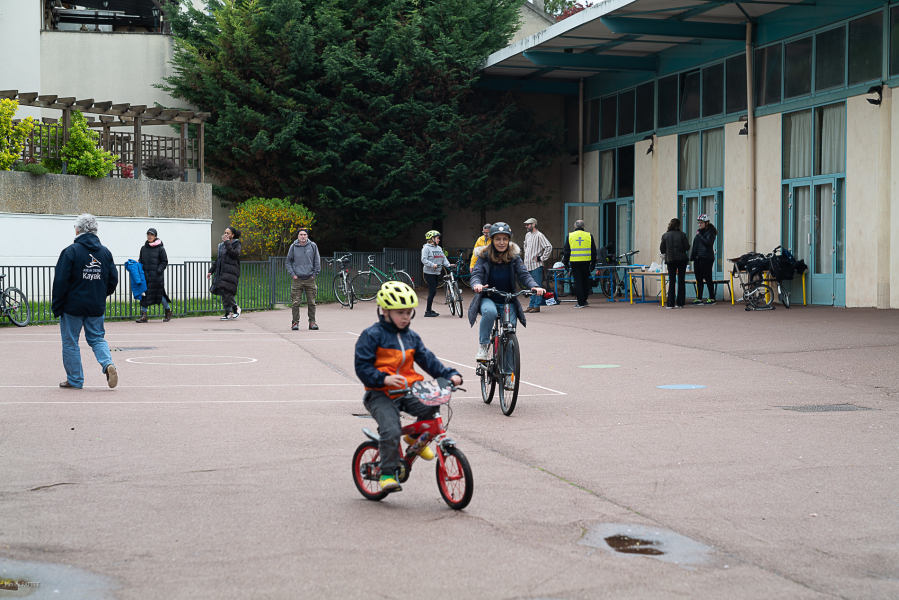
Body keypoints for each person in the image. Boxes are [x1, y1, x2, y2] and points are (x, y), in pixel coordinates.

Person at [354, 281, 462, 493]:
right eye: (400, 312)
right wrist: (383, 379)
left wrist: (449, 375)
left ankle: (413, 438)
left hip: (406, 390)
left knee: (432, 406)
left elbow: (428, 360)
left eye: (409, 312)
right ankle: (386, 473)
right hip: (379, 393)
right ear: (384, 310)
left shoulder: (411, 337)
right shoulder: (372, 335)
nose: (405, 317)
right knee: (391, 429)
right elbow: (362, 366)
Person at [469, 222, 545, 389]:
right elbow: (477, 274)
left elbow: (524, 274)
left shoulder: (514, 257)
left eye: (505, 239)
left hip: (508, 299)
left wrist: (534, 286)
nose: (501, 242)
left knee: (510, 335)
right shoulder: (484, 256)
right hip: (489, 297)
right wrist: (477, 284)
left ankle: (509, 375)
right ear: (492, 240)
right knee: (488, 312)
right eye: (498, 239)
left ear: (509, 240)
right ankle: (483, 347)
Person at [51, 214, 119, 389]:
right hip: (95, 306)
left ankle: (75, 380)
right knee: (97, 339)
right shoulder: (105, 252)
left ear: (78, 230)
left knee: (71, 342)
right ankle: (107, 364)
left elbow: (60, 282)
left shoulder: (71, 251)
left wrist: (57, 306)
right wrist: (100, 295)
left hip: (72, 306)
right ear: (95, 230)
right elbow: (112, 280)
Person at [286, 228, 321, 330]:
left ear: (307, 236)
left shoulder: (313, 246)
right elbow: (288, 262)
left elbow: (317, 261)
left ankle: (312, 323)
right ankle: (295, 323)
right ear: (298, 236)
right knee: (295, 303)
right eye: (301, 234)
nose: (303, 236)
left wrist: (314, 274)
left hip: (310, 278)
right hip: (297, 279)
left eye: (305, 234)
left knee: (312, 303)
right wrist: (293, 274)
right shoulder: (293, 247)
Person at [135, 228, 172, 323]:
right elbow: (141, 260)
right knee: (144, 295)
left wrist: (158, 270)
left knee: (159, 295)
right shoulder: (144, 248)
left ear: (155, 236)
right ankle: (144, 316)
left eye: (151, 235)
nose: (149, 236)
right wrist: (138, 264)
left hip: (156, 277)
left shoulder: (160, 248)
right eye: (148, 234)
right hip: (145, 277)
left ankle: (168, 311)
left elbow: (164, 261)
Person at [207, 227, 241, 320]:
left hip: (231, 271)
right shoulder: (221, 246)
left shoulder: (236, 244)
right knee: (223, 290)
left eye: (228, 233)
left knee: (227, 290)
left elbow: (233, 254)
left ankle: (235, 308)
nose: (226, 234)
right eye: (225, 232)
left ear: (232, 235)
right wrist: (211, 271)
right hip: (222, 272)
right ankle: (228, 312)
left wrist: (227, 243)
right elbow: (218, 259)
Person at [562, 219, 596, 308]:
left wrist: (566, 262)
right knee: (585, 280)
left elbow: (566, 251)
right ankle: (584, 300)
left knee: (578, 281)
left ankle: (580, 302)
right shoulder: (589, 236)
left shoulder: (570, 236)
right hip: (586, 261)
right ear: (584, 226)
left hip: (575, 262)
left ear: (575, 226)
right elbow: (593, 250)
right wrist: (593, 263)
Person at [421, 230, 454, 317]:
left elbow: (443, 258)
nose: (439, 240)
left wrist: (448, 265)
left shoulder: (439, 248)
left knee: (432, 292)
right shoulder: (426, 248)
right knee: (433, 291)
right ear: (432, 239)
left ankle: (429, 310)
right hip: (429, 273)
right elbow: (423, 260)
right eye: (437, 238)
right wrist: (433, 265)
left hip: (436, 273)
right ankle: (428, 312)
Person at [522, 218, 552, 313]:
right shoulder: (527, 235)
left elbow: (548, 246)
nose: (526, 226)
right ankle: (531, 305)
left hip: (536, 265)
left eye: (528, 224)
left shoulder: (539, 235)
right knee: (530, 286)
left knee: (537, 285)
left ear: (533, 224)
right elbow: (525, 246)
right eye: (526, 225)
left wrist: (541, 258)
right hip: (528, 265)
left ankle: (537, 305)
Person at [660, 218, 691, 309]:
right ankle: (680, 303)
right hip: (682, 259)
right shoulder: (682, 235)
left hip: (670, 260)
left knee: (671, 280)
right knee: (681, 280)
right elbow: (687, 247)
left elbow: (662, 249)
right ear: (679, 225)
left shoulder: (665, 236)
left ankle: (670, 304)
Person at [690, 214, 717, 305]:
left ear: (707, 223)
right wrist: (692, 256)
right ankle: (699, 298)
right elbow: (695, 245)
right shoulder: (699, 232)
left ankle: (712, 298)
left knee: (708, 278)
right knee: (699, 279)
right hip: (698, 258)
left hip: (706, 258)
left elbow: (707, 243)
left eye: (701, 223)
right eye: (698, 223)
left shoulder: (711, 232)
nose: (699, 224)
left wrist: (700, 235)